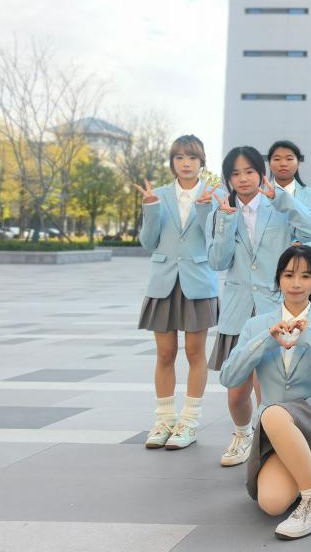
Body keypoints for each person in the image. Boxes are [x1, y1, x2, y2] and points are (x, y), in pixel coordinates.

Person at [220, 246, 311, 540]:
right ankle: (304, 473)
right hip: (278, 430)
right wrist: (266, 339)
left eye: (305, 276)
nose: (296, 283)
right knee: (271, 503)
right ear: (278, 279)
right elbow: (229, 376)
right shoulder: (256, 326)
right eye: (289, 275)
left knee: (273, 413)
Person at [208, 146, 311, 468]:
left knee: (270, 386)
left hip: (274, 308)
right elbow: (217, 261)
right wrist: (226, 221)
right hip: (238, 311)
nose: (243, 179)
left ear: (261, 174)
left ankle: (270, 440)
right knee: (236, 390)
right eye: (235, 173)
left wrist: (283, 199)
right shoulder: (223, 210)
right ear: (228, 178)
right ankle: (242, 433)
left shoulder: (279, 206)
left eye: (249, 171)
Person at [134, 134, 218, 450]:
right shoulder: (157, 195)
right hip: (163, 281)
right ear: (172, 162)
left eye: (192, 157)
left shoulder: (214, 194)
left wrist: (205, 208)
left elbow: (214, 238)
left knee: (195, 353)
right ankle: (164, 420)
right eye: (179, 157)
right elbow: (148, 242)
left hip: (198, 281)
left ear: (201, 162)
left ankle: (189, 422)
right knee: (165, 353)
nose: (186, 163)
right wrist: (150, 208)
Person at [267, 139, 311, 250]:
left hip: (302, 257)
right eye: (277, 159)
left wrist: (306, 247)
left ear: (298, 163)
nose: (283, 164)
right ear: (269, 164)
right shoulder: (259, 194)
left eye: (289, 159)